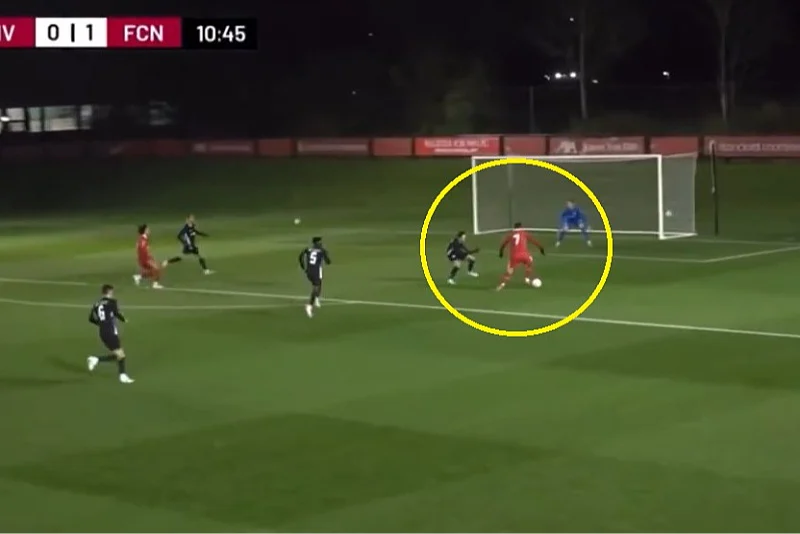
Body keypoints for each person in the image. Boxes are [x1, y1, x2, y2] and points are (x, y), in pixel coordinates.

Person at [87, 284, 134, 384]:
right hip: (110, 331)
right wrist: (124, 319)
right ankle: (122, 375)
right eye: (112, 292)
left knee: (119, 354)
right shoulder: (112, 302)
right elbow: (117, 313)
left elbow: (90, 319)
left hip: (103, 332)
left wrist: (101, 323)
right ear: (110, 292)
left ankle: (96, 360)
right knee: (121, 355)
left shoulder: (96, 304)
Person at [497, 222, 545, 290]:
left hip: (514, 257)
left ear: (514, 227)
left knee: (509, 271)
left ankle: (502, 285)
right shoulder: (524, 233)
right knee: (530, 261)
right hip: (525, 256)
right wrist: (541, 249)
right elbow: (534, 241)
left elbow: (503, 244)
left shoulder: (511, 234)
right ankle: (527, 279)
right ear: (521, 227)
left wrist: (501, 253)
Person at [298, 236, 331, 318]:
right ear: (317, 243)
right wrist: (325, 254)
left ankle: (316, 299)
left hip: (309, 271)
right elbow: (328, 262)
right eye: (320, 242)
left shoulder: (308, 249)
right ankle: (309, 306)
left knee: (318, 283)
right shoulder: (321, 250)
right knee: (316, 288)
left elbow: (300, 256)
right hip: (316, 271)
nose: (321, 243)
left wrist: (303, 266)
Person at [133, 224, 164, 289]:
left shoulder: (142, 238)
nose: (149, 230)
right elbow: (143, 249)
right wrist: (149, 258)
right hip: (145, 259)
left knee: (154, 270)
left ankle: (139, 277)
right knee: (157, 268)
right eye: (147, 229)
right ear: (144, 231)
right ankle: (155, 285)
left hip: (144, 258)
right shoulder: (143, 239)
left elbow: (138, 248)